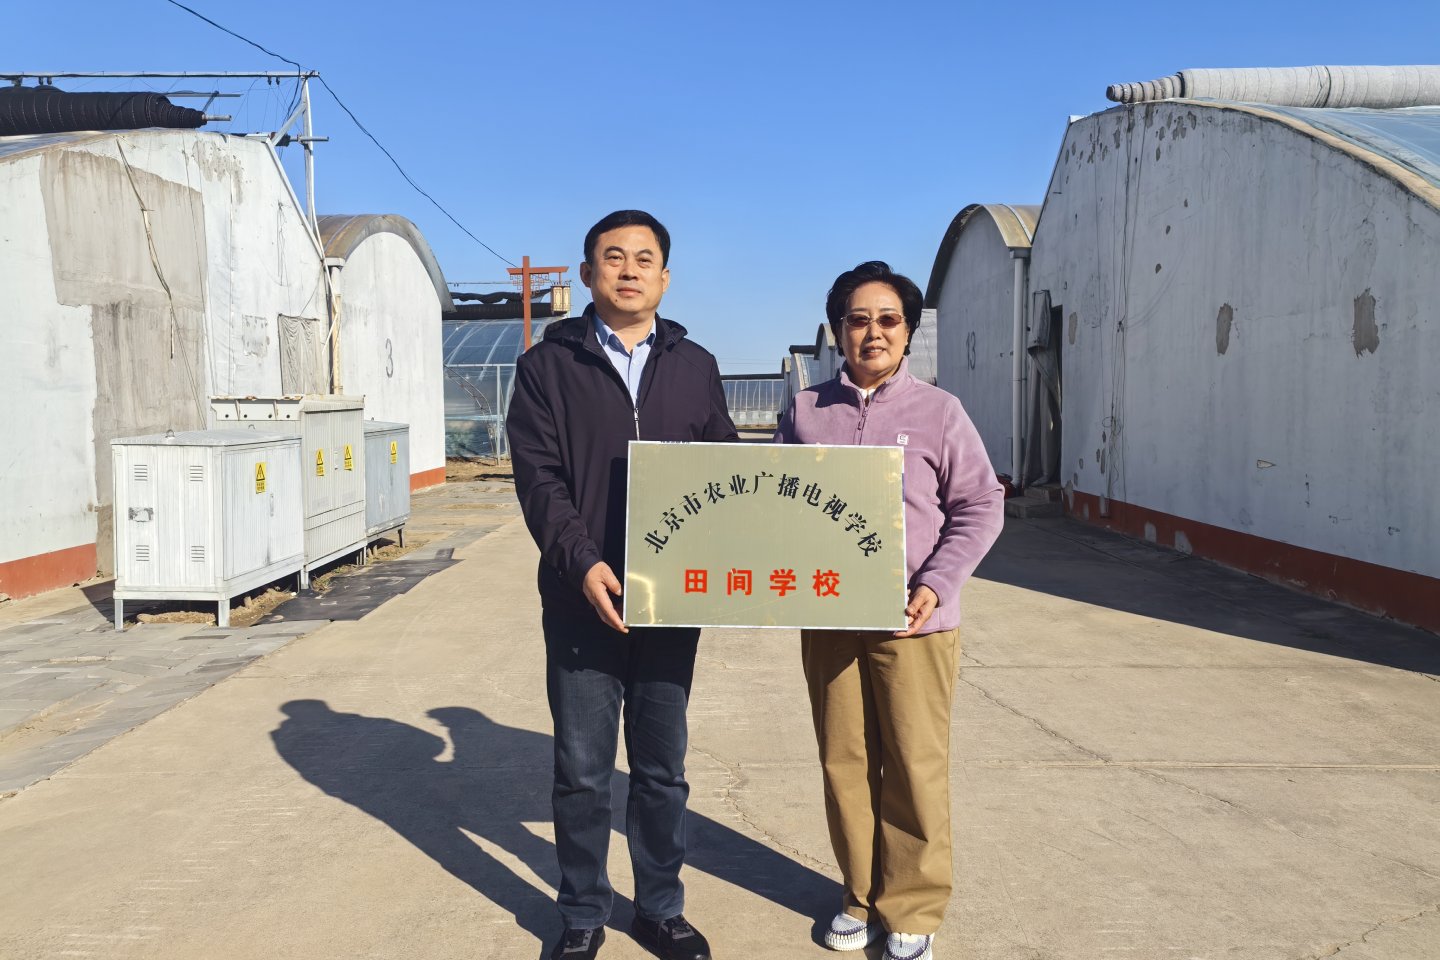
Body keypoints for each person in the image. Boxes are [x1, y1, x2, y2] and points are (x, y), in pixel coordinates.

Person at [507, 210, 738, 960]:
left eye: (644, 258)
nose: (629, 270)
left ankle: (660, 908)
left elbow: (725, 471)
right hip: (582, 598)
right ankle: (582, 912)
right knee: (581, 770)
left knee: (662, 769)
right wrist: (582, 563)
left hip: (671, 598)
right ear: (588, 273)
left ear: (665, 277)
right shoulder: (548, 366)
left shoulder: (695, 365)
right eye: (614, 257)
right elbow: (540, 479)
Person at [774, 261, 1004, 960]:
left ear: (907, 331)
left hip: (914, 622)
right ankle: (860, 896)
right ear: (837, 330)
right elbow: (774, 502)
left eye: (888, 319)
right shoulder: (806, 410)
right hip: (830, 618)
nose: (872, 332)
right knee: (844, 761)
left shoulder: (940, 411)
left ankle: (913, 907)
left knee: (913, 764)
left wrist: (937, 582)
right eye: (857, 319)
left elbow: (981, 504)